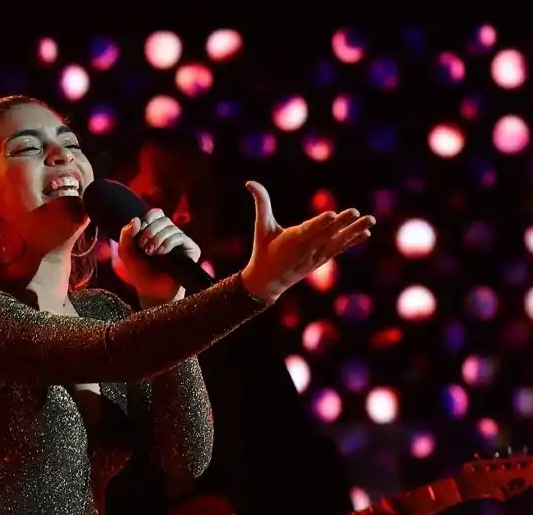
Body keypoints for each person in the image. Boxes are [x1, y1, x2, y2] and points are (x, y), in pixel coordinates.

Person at [0, 95, 375, 515]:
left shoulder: (102, 311)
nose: (61, 155)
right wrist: (255, 285)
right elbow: (109, 352)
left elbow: (184, 455)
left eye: (70, 143)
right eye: (28, 148)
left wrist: (161, 296)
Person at [105, 129, 356, 515]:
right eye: (162, 194)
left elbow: (301, 459)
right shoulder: (82, 316)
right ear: (114, 202)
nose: (185, 212)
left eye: (200, 198)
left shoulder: (241, 325)